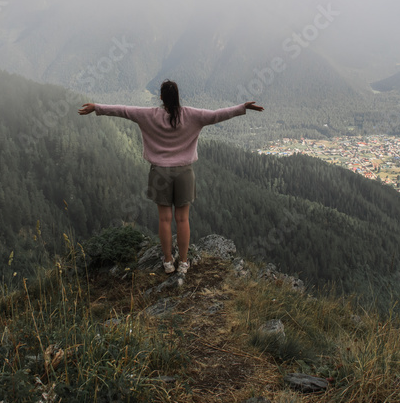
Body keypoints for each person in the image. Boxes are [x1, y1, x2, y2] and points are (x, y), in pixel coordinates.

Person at [78, 80, 263, 275]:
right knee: (183, 219)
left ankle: (167, 261)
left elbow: (123, 110)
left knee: (164, 219)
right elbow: (217, 115)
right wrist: (243, 107)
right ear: (177, 97)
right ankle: (183, 262)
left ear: (161, 98)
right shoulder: (192, 115)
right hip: (184, 172)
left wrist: (96, 107)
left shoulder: (149, 115)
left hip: (160, 173)